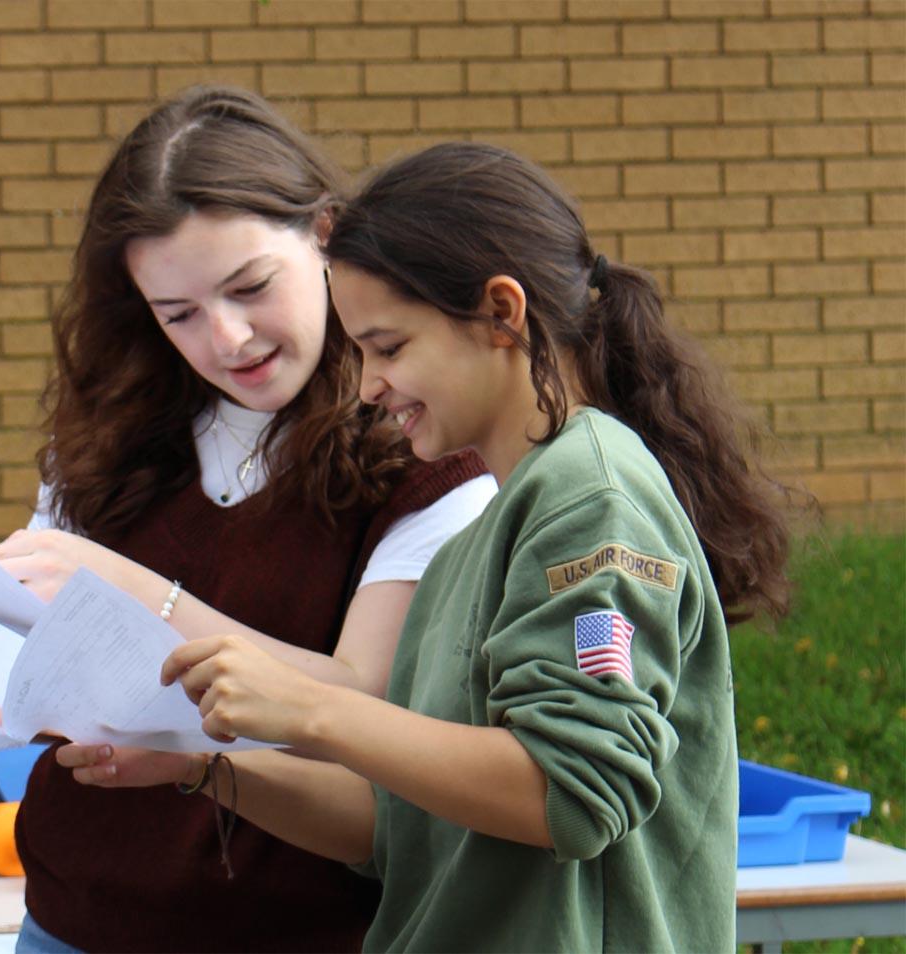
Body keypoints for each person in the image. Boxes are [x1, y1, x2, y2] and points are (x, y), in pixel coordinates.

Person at [61, 141, 794, 953]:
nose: (368, 384)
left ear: (502, 314)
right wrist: (199, 763)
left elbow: (577, 793)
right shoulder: (471, 546)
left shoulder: (592, 500)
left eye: (389, 347)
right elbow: (394, 828)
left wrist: (310, 707)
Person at [0, 89, 495, 953]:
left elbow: (361, 704)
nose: (228, 339)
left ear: (325, 234)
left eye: (250, 287)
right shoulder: (113, 434)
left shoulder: (428, 449)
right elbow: (54, 682)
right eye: (177, 313)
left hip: (297, 931)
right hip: (69, 920)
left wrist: (143, 594)